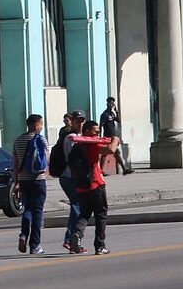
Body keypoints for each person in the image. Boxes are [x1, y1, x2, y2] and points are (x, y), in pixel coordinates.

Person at [65, 121, 119, 255]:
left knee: (85, 213)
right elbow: (111, 149)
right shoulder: (92, 145)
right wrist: (116, 139)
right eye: (96, 131)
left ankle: (77, 233)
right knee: (101, 215)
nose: (98, 133)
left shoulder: (77, 146)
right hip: (96, 184)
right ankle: (100, 246)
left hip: (82, 186)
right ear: (87, 131)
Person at [10, 114, 50, 255]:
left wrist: (16, 182)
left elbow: (15, 164)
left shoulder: (18, 140)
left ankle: (23, 235)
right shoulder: (40, 139)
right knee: (38, 211)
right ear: (35, 125)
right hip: (38, 179)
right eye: (40, 124)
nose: (41, 127)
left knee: (27, 209)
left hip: (23, 180)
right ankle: (35, 245)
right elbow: (46, 159)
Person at [50, 111, 85, 253]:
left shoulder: (77, 137)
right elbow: (73, 162)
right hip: (70, 177)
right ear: (72, 121)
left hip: (71, 177)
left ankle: (70, 240)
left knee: (77, 208)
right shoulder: (71, 138)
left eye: (82, 121)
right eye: (78, 121)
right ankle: (71, 240)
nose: (80, 123)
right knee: (77, 207)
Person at [100, 97, 133, 174]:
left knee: (116, 152)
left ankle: (124, 169)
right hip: (107, 136)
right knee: (105, 154)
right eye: (110, 103)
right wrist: (100, 136)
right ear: (107, 103)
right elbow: (100, 125)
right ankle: (100, 171)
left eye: (112, 103)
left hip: (113, 136)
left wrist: (116, 111)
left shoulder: (112, 113)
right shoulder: (104, 114)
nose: (111, 104)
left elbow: (118, 120)